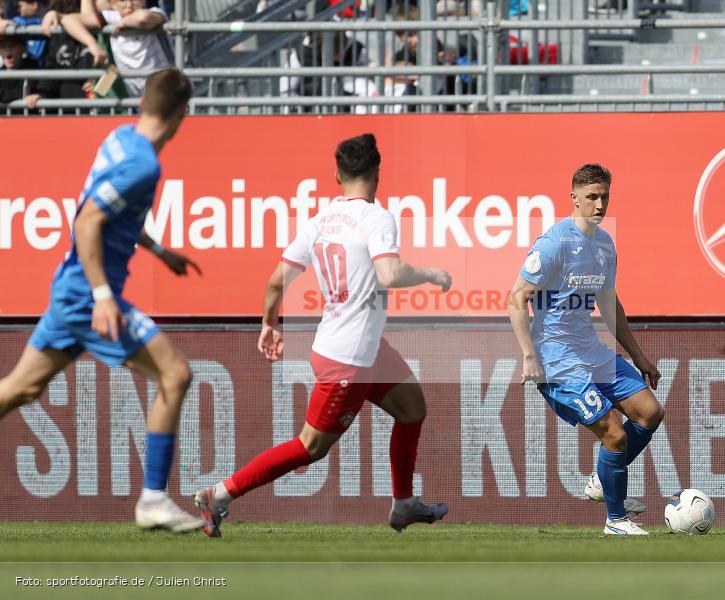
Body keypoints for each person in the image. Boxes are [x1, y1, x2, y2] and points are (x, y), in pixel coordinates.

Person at [194, 134, 452, 538]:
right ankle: (220, 494)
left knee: (412, 408)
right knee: (310, 447)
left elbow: (276, 281)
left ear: (337, 175)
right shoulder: (376, 218)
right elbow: (389, 274)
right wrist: (432, 275)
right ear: (378, 174)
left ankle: (403, 504)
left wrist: (268, 324)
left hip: (357, 346)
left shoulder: (319, 221)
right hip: (349, 355)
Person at [0, 68, 204, 533]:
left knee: (19, 389)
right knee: (175, 374)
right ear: (181, 114)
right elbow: (88, 222)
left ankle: (154, 499)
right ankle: (153, 499)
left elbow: (110, 211)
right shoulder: (145, 165)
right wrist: (103, 296)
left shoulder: (121, 138)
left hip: (70, 288)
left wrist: (157, 250)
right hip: (85, 296)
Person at [508, 163, 665, 535]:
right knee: (615, 432)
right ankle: (616, 520)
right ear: (574, 198)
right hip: (556, 359)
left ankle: (602, 479)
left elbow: (610, 305)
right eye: (592, 196)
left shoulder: (605, 244)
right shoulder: (553, 244)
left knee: (650, 412)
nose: (599, 204)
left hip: (591, 352)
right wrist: (529, 354)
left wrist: (639, 355)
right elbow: (516, 299)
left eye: (605, 196)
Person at [61, 0, 172, 97]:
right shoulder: (111, 17)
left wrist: (124, 22)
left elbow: (143, 19)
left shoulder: (156, 12)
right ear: (112, 3)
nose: (129, 4)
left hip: (165, 90)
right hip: (132, 96)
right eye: (122, 0)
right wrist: (92, 45)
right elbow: (68, 20)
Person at [0, 35, 38, 106]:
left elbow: (30, 93)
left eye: (13, 45)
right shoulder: (1, 71)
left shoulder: (32, 69)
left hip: (27, 116)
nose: (8, 49)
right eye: (3, 46)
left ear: (23, 48)